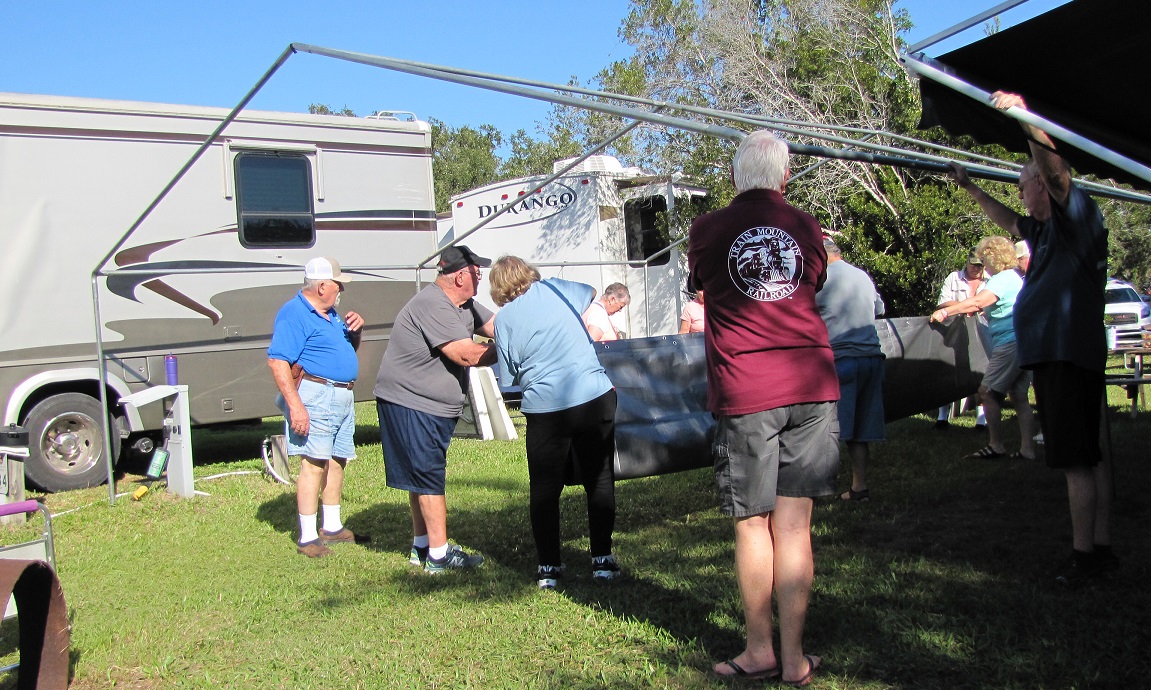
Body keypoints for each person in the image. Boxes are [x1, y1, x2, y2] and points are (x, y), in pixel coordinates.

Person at [688, 130, 838, 686]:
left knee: (753, 524)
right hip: (812, 381)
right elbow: (812, 282)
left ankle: (759, 651)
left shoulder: (706, 230)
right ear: (785, 177)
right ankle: (795, 659)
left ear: (734, 177)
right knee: (795, 527)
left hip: (748, 388)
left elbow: (702, 287)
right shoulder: (805, 225)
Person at [948, 90, 1113, 587]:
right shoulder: (1041, 233)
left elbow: (1059, 173)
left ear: (1046, 185)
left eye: (1025, 184)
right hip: (1062, 354)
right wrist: (972, 190)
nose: (1021, 193)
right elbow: (1008, 220)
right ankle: (1101, 548)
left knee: (1077, 461)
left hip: (1068, 353)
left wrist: (1026, 123)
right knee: (1091, 451)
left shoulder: (1074, 216)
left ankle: (1087, 556)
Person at [488, 255, 620, 589]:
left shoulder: (503, 321)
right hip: (594, 394)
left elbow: (510, 377)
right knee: (600, 478)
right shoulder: (557, 289)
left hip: (546, 407)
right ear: (528, 273)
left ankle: (549, 567)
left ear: (497, 288)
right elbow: (590, 291)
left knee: (545, 488)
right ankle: (602, 560)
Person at [374, 245, 496, 573]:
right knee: (428, 477)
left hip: (428, 405)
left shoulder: (465, 304)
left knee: (420, 476)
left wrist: (525, 328)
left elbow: (497, 326)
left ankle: (421, 547)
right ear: (459, 277)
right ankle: (439, 557)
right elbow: (467, 354)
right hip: (410, 403)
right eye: (475, 271)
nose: (480, 275)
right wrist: (511, 350)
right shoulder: (433, 304)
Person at [268, 257, 366, 558]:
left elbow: (345, 350)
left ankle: (332, 526)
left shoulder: (332, 314)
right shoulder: (294, 313)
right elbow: (278, 361)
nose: (340, 291)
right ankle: (308, 536)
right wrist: (296, 408)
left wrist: (356, 332)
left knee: (337, 460)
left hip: (341, 395)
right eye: (338, 286)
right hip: (316, 395)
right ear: (322, 286)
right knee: (313, 463)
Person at [930, 236, 1037, 461]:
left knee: (986, 392)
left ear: (994, 258)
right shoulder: (1012, 278)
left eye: (984, 259)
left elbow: (978, 301)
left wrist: (947, 312)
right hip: (1023, 341)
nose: (982, 265)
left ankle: (996, 445)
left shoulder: (1002, 278)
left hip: (1010, 343)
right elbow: (987, 305)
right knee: (1018, 396)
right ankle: (1028, 450)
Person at [815, 236, 885, 503]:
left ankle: (820, 489)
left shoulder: (822, 280)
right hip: (872, 357)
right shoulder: (862, 276)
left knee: (827, 428)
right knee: (860, 429)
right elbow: (879, 308)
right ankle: (860, 486)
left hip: (840, 359)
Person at [934, 249, 989, 431]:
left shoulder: (990, 279)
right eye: (973, 264)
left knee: (981, 372)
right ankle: (942, 417)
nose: (976, 269)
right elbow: (943, 302)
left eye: (980, 265)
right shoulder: (953, 278)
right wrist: (965, 307)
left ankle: (981, 418)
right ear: (967, 262)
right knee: (948, 370)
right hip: (955, 331)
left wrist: (973, 307)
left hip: (982, 330)